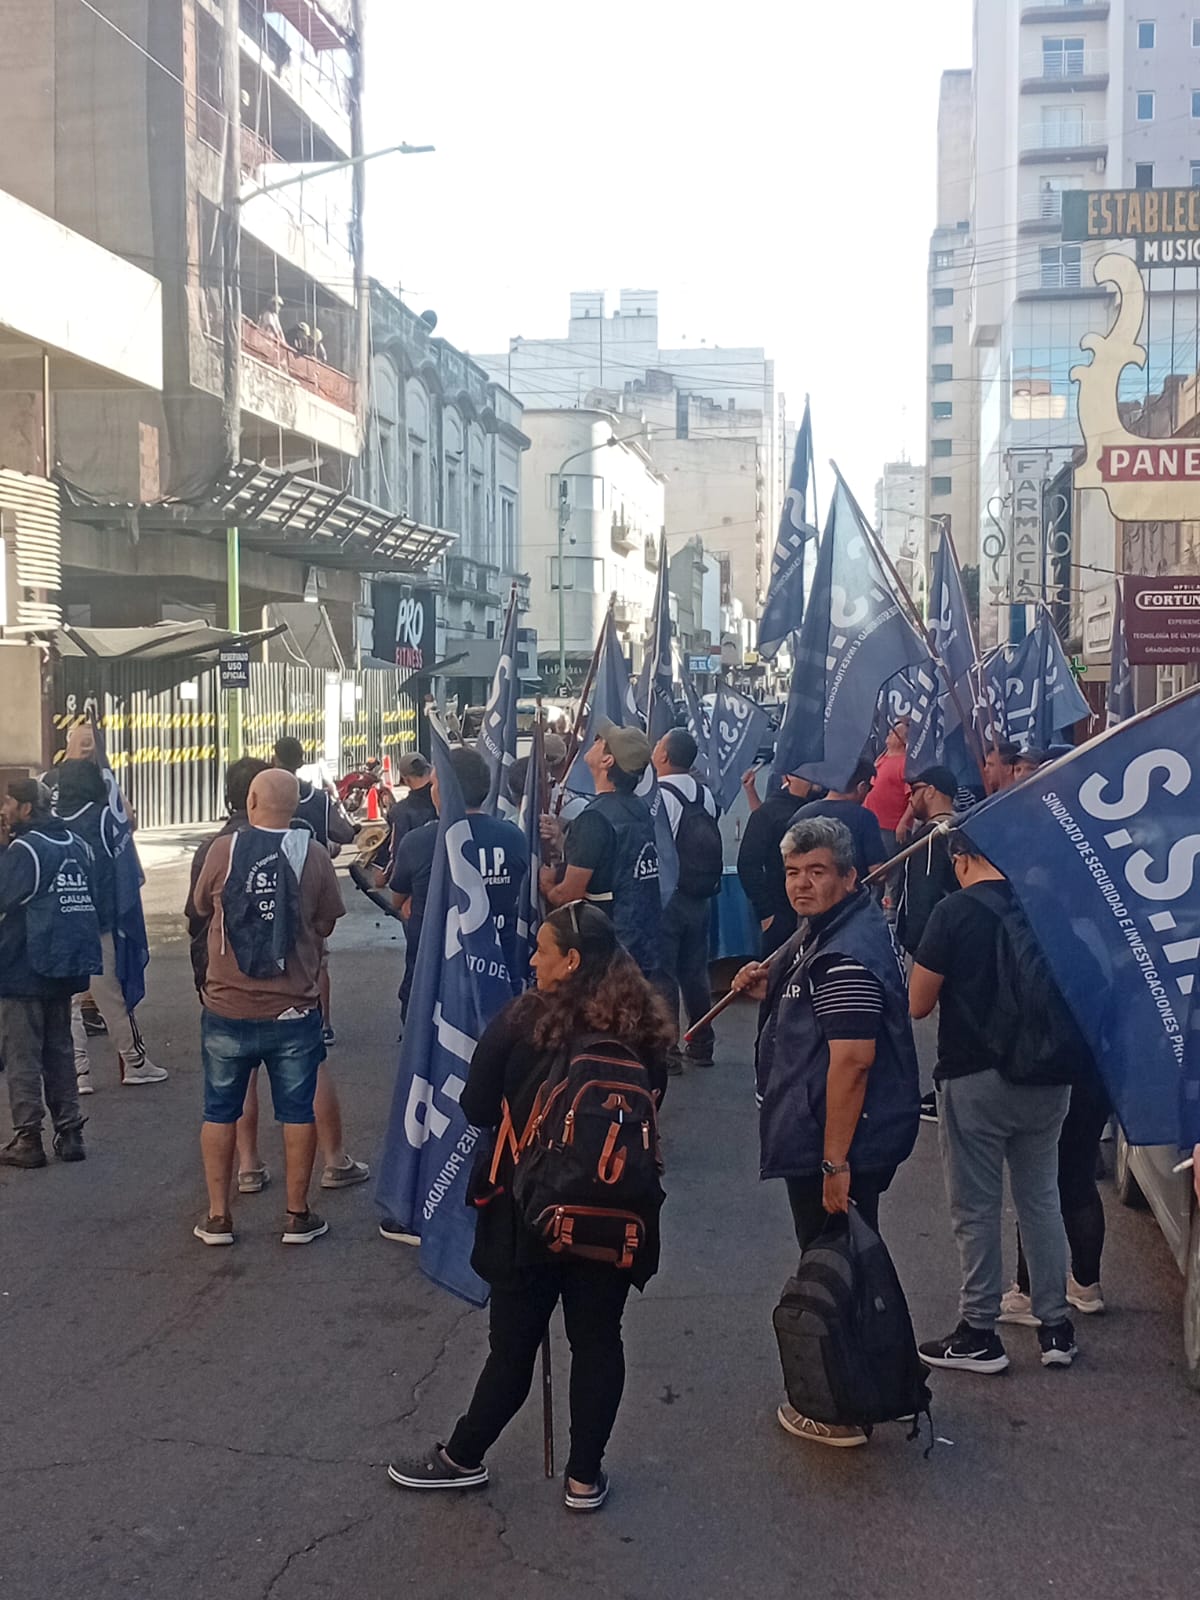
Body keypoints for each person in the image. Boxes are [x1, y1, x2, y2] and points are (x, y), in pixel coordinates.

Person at [387, 901, 672, 1508]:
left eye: (543, 950)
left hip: (526, 1210)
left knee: (513, 1347)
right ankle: (584, 1477)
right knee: (599, 1341)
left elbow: (477, 1108)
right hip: (617, 1209)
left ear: (571, 961)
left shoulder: (523, 1020)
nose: (532, 959)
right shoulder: (643, 1028)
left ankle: (462, 1457)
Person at [731, 816, 920, 1448]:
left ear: (849, 876)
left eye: (817, 872)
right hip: (828, 1136)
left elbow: (854, 1060)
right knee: (846, 1263)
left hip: (835, 1144)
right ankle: (866, 1386)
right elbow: (815, 1010)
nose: (801, 885)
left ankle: (843, 1405)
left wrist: (834, 1163)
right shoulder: (829, 932)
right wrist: (773, 984)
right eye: (793, 872)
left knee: (836, 1271)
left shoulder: (844, 953)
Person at [910, 831, 1077, 1372]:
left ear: (961, 858)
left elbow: (918, 1002)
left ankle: (979, 1331)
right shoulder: (1046, 904)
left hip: (974, 1075)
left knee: (976, 1208)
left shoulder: (953, 913)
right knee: (1041, 1199)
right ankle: (1056, 1327)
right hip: (1048, 1075)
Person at [187, 758, 369, 1198]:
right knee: (298, 1110)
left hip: (227, 1004)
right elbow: (326, 923)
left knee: (220, 1109)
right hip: (292, 1006)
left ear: (250, 800)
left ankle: (223, 1207)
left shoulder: (221, 850)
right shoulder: (314, 854)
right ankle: (297, 1212)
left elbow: (200, 908)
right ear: (296, 806)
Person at [0, 780, 102, 1168]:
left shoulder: (26, 849)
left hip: (24, 963)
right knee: (59, 1050)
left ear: (26, 808)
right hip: (66, 963)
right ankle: (70, 1131)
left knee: (22, 1054)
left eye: (9, 802)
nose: (4, 809)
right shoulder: (76, 844)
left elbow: (4, 895)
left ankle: (28, 1138)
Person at [51, 760, 166, 1089]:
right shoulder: (102, 816)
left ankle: (78, 1071)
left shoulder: (53, 819)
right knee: (112, 997)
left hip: (62, 921)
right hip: (99, 919)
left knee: (70, 1001)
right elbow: (123, 850)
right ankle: (134, 1062)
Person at [390, 747, 528, 1018]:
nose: (432, 791)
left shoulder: (418, 842)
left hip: (432, 983)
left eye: (434, 784)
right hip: (499, 976)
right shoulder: (514, 837)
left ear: (444, 790)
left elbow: (398, 900)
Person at [539, 720, 662, 982]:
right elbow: (612, 858)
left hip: (609, 952)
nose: (594, 741)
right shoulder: (639, 808)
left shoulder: (595, 818)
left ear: (607, 761)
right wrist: (562, 840)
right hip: (644, 943)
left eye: (600, 741)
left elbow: (569, 894)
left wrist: (548, 886)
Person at [1000, 1059, 1113, 1324]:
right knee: (1081, 1178)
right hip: (1096, 1074)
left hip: (1051, 1073)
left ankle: (1030, 1292)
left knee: (1036, 1185)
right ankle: (1087, 1283)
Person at [273, 737, 354, 1046]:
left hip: (276, 882)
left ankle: (279, 1015)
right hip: (313, 882)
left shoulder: (268, 793)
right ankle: (323, 1024)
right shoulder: (317, 797)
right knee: (318, 957)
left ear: (276, 758)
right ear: (302, 759)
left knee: (276, 952)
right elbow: (344, 833)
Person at [652, 727, 719, 1072]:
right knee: (695, 971)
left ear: (664, 755)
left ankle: (668, 1048)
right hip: (700, 894)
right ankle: (702, 1042)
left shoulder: (660, 796)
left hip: (669, 896)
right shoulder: (704, 794)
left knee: (663, 973)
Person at [736, 770, 823, 958]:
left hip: (818, 910)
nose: (813, 778)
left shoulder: (821, 807)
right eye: (806, 773)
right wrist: (766, 913)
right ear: (787, 778)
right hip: (781, 912)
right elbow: (748, 864)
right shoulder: (768, 813)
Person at [790, 757, 888, 885]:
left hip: (806, 890)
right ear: (862, 786)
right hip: (850, 893)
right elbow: (877, 872)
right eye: (869, 788)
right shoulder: (864, 818)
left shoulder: (801, 814)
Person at [380, 752, 436, 878]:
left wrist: (385, 875)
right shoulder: (443, 800)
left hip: (417, 879)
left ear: (406, 779)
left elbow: (397, 853)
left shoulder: (400, 811)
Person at [864, 717, 910, 859]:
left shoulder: (906, 764)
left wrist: (903, 823)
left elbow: (913, 797)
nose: (890, 734)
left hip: (890, 827)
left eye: (895, 733)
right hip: (870, 822)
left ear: (904, 740)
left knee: (888, 865)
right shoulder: (882, 758)